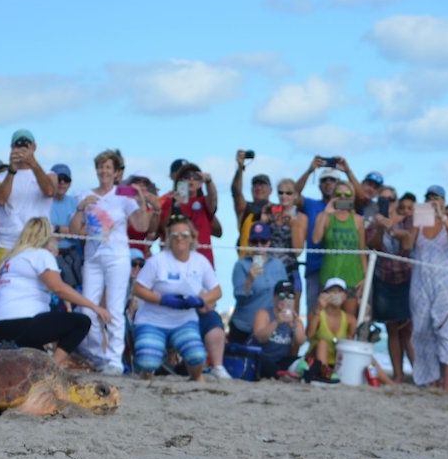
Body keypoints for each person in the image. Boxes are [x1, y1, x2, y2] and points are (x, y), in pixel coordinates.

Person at [69, 149, 155, 374]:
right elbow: (74, 230)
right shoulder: (84, 195)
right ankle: (99, 354)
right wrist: (80, 208)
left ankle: (115, 360)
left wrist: (143, 200)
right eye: (101, 167)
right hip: (93, 258)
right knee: (88, 309)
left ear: (116, 172)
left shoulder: (124, 196)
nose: (104, 171)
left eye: (108, 167)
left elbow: (142, 226)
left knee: (115, 309)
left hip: (118, 257)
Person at [0, 217, 109, 368]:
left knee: (36, 362)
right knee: (81, 322)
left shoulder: (9, 259)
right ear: (47, 237)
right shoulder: (40, 254)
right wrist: (94, 306)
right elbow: (58, 288)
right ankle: (52, 368)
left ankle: (27, 354)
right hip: (23, 324)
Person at [130, 217, 220, 381]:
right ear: (168, 239)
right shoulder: (157, 261)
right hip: (152, 320)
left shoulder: (200, 261)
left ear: (192, 237)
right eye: (174, 235)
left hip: (184, 321)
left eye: (185, 234)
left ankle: (196, 379)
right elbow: (137, 288)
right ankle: (145, 376)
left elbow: (217, 291)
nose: (180, 238)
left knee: (197, 355)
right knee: (148, 361)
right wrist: (161, 300)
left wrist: (200, 300)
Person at [411, 185, 448, 389]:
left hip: (445, 284)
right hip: (420, 282)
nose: (433, 201)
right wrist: (418, 219)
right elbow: (409, 244)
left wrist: (442, 215)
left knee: (446, 332)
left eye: (437, 198)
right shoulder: (421, 220)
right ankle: (429, 379)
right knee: (421, 331)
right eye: (429, 198)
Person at [367, 191, 415, 384]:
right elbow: (373, 245)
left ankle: (419, 373)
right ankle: (398, 374)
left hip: (406, 278)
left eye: (391, 199)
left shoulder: (408, 220)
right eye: (383, 199)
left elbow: (409, 243)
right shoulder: (375, 221)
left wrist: (394, 228)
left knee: (408, 330)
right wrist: (380, 228)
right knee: (392, 329)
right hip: (384, 278)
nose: (388, 203)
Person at [0, 129, 57, 264]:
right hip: (8, 243)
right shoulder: (0, 177)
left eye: (26, 144)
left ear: (34, 147)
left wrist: (33, 163)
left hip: (39, 242)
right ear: (12, 148)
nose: (22, 147)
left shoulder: (50, 174)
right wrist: (12, 170)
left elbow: (50, 191)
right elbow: (1, 199)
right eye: (18, 144)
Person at [312, 181, 367, 318]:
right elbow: (315, 239)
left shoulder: (358, 220)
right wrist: (326, 212)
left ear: (352, 198)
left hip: (352, 276)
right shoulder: (324, 216)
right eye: (338, 194)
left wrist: (365, 277)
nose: (342, 197)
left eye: (347, 194)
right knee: (326, 320)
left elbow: (361, 250)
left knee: (349, 322)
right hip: (330, 275)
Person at [294, 160, 341, 313]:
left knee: (336, 316)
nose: (328, 183)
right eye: (324, 180)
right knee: (314, 313)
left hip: (338, 270)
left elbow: (362, 198)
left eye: (332, 180)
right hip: (314, 268)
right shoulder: (311, 204)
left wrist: (347, 171)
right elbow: (293, 194)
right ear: (319, 185)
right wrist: (310, 170)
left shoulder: (347, 208)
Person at [229, 223, 289, 343]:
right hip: (244, 327)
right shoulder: (241, 265)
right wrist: (250, 279)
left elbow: (285, 294)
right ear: (249, 243)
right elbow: (240, 298)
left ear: (269, 243)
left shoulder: (278, 265)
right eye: (254, 241)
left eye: (263, 241)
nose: (259, 245)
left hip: (268, 327)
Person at [251, 280, 307, 379]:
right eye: (282, 295)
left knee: (305, 363)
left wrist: (294, 325)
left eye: (290, 296)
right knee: (265, 362)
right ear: (274, 297)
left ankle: (284, 374)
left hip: (281, 360)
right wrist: (277, 322)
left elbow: (301, 341)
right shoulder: (264, 313)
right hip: (262, 357)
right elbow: (260, 337)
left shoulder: (295, 319)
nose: (285, 299)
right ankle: (281, 374)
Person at [304, 277, 354, 382]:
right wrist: (318, 309)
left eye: (339, 291)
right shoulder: (317, 314)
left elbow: (354, 344)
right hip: (315, 360)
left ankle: (390, 383)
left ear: (344, 296)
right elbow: (308, 335)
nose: (336, 295)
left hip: (337, 362)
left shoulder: (350, 319)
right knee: (322, 342)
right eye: (332, 291)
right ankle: (324, 373)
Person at [268, 178, 308, 295]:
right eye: (281, 192)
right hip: (270, 267)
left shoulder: (301, 217)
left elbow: (298, 251)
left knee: (291, 308)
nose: (284, 196)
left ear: (295, 195)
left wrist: (293, 225)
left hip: (290, 268)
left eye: (288, 193)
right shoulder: (270, 212)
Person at [49, 163, 82, 288]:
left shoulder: (74, 202)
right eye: (58, 179)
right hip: (51, 255)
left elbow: (80, 231)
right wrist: (63, 230)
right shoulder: (43, 201)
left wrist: (57, 229)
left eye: (66, 179)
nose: (62, 182)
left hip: (73, 255)